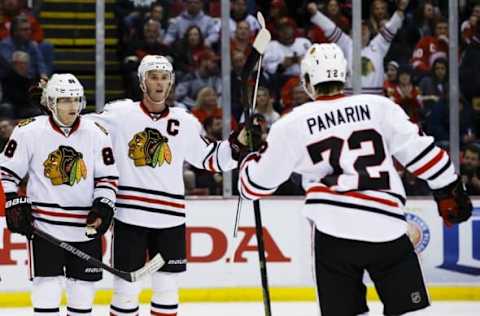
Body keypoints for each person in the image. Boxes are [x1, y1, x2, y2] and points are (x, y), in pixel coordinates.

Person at [238, 43, 472, 316]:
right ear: (344, 76)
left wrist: (250, 155)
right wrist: (449, 188)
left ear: (307, 82)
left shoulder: (291, 124)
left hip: (334, 231)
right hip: (386, 225)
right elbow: (423, 153)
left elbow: (255, 185)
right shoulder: (379, 106)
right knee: (410, 311)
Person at [87, 55, 252, 316]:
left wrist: (238, 144)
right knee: (126, 292)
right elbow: (79, 130)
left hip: (170, 219)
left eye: (164, 77)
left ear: (171, 82)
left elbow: (210, 159)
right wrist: (52, 107)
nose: (159, 83)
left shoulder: (184, 121)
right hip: (130, 217)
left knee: (167, 289)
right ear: (142, 82)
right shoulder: (119, 114)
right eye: (153, 76)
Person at [1, 73, 118, 316]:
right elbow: (7, 173)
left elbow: (107, 178)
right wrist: (12, 201)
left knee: (83, 296)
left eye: (76, 100)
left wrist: (104, 205)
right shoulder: (28, 131)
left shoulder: (97, 132)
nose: (72, 106)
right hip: (45, 228)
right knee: (47, 292)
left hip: (85, 229)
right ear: (51, 102)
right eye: (65, 100)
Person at [307, 0, 409, 95]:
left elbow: (392, 27)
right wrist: (316, 13)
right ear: (352, 33)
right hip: (352, 100)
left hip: (374, 98)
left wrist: (401, 9)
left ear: (370, 33)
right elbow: (330, 28)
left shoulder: (378, 45)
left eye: (365, 29)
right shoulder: (347, 44)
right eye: (358, 29)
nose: (362, 31)